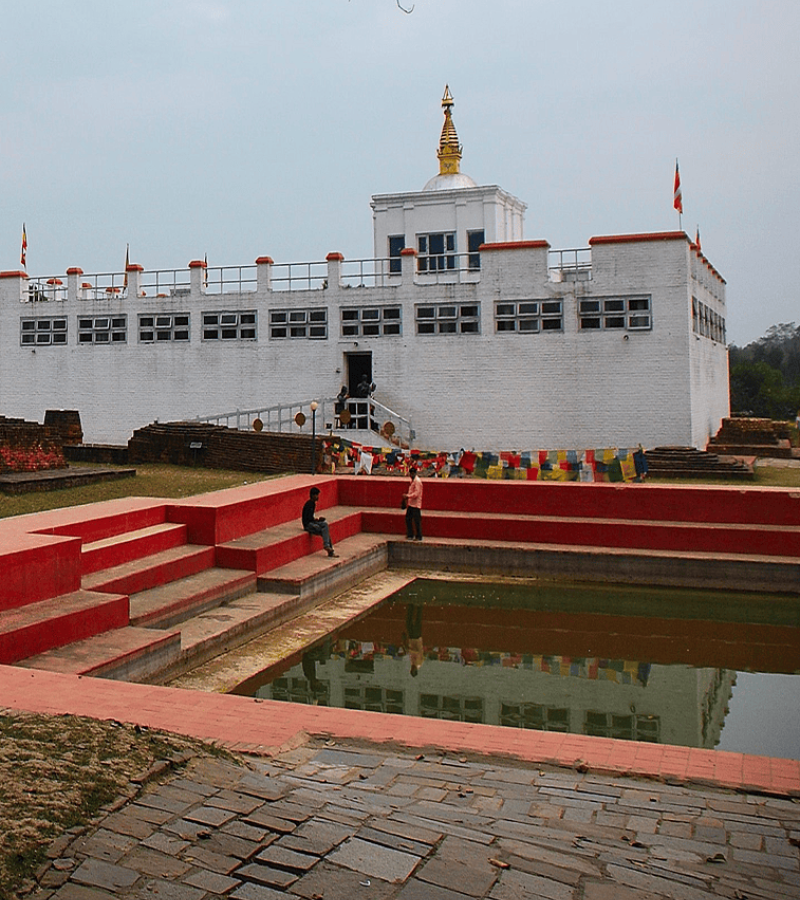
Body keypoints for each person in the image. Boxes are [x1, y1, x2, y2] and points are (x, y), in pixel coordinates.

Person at [301, 487, 337, 557]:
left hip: (311, 522)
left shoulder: (313, 504)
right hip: (308, 525)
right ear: (312, 495)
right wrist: (317, 521)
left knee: (325, 525)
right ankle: (328, 548)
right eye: (316, 495)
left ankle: (329, 549)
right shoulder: (309, 504)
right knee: (323, 531)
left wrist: (318, 520)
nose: (317, 497)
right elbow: (308, 519)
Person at [403, 466, 423, 540]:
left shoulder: (417, 482)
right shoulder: (413, 481)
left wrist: (408, 496)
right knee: (408, 519)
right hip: (411, 504)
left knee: (416, 521)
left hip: (416, 504)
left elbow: (416, 494)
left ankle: (418, 536)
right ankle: (410, 534)